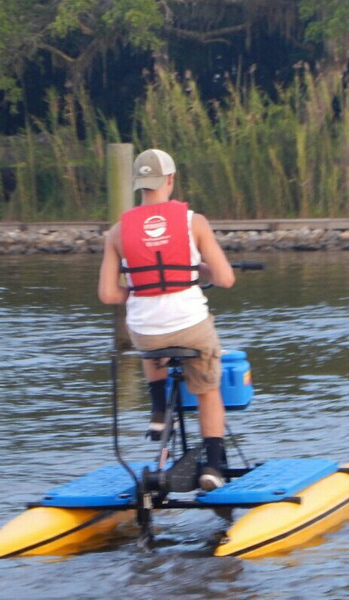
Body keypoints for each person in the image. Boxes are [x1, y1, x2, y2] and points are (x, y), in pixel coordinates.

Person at [98, 148, 236, 490]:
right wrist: (199, 270)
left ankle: (159, 410)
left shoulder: (117, 232)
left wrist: (141, 289)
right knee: (207, 389)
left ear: (137, 185)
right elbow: (225, 279)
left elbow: (108, 294)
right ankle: (214, 467)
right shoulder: (194, 222)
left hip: (145, 333)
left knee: (150, 336)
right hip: (190, 326)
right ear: (170, 180)